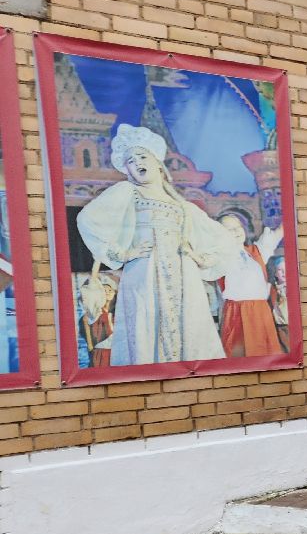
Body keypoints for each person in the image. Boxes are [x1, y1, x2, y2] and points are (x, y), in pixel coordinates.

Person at [75, 124, 238, 366]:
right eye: (130, 161)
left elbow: (221, 240)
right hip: (145, 275)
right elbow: (89, 220)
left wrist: (200, 258)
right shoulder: (129, 192)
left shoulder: (181, 205)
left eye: (142, 156)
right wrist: (124, 253)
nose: (137, 163)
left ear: (157, 161)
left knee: (187, 334)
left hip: (183, 278)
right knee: (146, 328)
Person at [217, 213, 285, 358]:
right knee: (240, 357)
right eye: (229, 229)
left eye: (238, 226)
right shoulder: (218, 258)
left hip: (261, 313)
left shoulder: (257, 252)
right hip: (236, 314)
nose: (236, 231)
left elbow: (280, 231)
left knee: (265, 356)